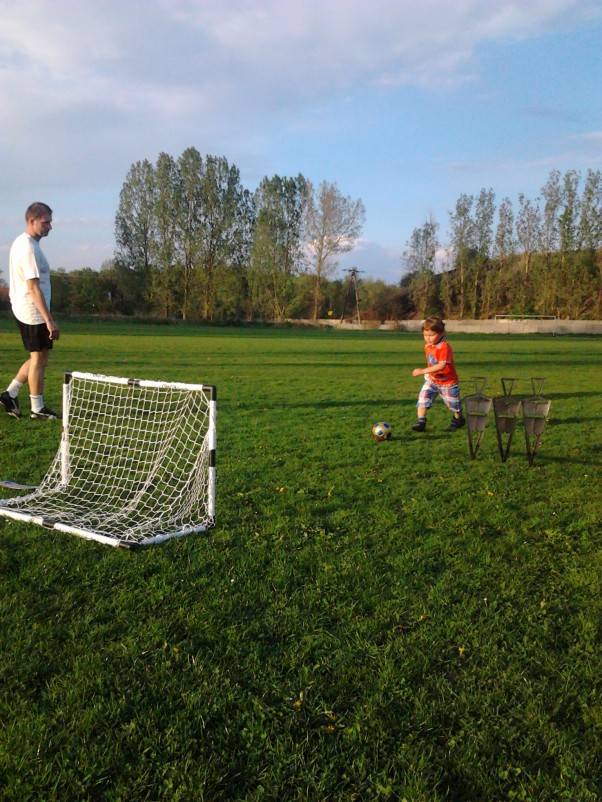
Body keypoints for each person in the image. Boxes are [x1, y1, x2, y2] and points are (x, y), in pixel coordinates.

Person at [1, 202, 61, 420]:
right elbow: (33, 287)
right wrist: (49, 320)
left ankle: (11, 393)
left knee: (40, 358)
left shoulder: (26, 243)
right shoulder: (27, 247)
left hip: (28, 309)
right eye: (46, 222)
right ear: (31, 221)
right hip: (32, 311)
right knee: (38, 359)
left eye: (50, 222)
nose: (50, 227)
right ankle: (38, 408)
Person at [411, 316, 465, 432]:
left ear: (441, 334)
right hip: (432, 380)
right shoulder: (428, 346)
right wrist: (428, 374)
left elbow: (441, 365)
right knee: (423, 398)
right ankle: (421, 421)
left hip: (447, 382)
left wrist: (422, 371)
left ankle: (458, 419)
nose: (428, 338)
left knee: (454, 405)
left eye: (431, 335)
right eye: (425, 335)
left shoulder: (444, 347)